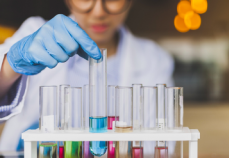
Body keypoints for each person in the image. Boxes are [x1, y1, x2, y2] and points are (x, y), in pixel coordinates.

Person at [0, 0, 174, 151]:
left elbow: (156, 144)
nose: (98, 12)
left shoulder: (154, 60)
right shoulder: (35, 33)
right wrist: (10, 66)